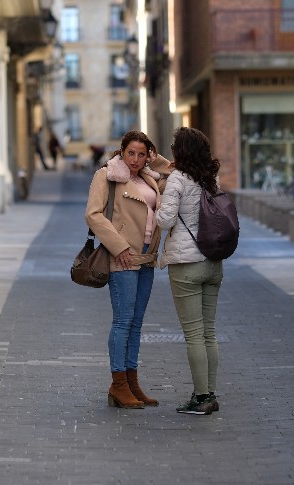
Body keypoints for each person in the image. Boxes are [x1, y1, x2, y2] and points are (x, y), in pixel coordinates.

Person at [85, 130, 171, 409]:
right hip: (122, 257)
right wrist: (119, 246)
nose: (135, 159)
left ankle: (132, 382)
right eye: (130, 153)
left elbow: (173, 173)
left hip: (146, 258)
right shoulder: (106, 175)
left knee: (136, 322)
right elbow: (93, 214)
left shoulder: (150, 177)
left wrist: (156, 161)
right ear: (121, 152)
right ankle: (118, 384)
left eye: (141, 154)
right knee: (123, 321)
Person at [155, 126, 223, 416]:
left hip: (186, 265)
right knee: (208, 332)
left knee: (194, 334)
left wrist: (157, 202)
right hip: (213, 262)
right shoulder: (211, 178)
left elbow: (165, 220)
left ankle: (201, 397)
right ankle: (210, 393)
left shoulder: (178, 180)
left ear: (180, 152)